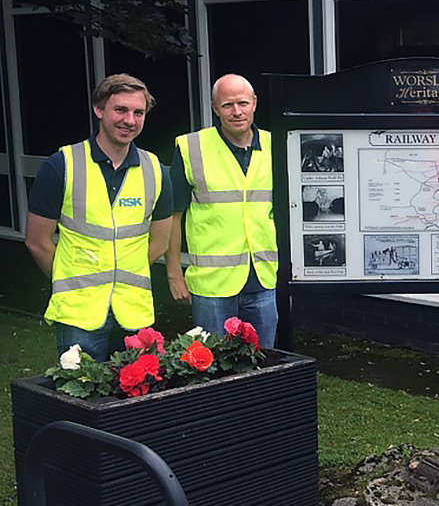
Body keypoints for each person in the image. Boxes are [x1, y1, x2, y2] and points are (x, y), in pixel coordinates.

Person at [25, 74, 173, 361]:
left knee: (138, 399)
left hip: (134, 312)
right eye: (121, 110)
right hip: (79, 315)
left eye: (138, 112)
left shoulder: (155, 170)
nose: (129, 120)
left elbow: (161, 241)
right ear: (99, 109)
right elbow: (37, 241)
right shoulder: (62, 165)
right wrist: (68, 280)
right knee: (81, 399)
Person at [166, 74, 278, 347]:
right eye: (227, 105)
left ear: (254, 104)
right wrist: (173, 275)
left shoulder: (277, 146)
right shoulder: (191, 148)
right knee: (213, 371)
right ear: (215, 108)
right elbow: (173, 217)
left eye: (242, 103)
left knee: (265, 366)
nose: (236, 112)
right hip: (211, 287)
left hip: (264, 279)